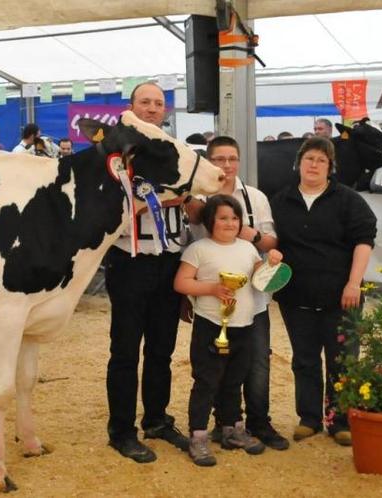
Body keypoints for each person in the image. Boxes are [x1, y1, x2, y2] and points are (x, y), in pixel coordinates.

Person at [270, 136, 377, 446]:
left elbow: (364, 241)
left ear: (331, 168)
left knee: (343, 359)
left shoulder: (349, 200)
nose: (314, 165)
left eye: (321, 160)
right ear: (298, 163)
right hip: (296, 297)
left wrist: (353, 283)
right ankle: (309, 418)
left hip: (342, 295)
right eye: (309, 159)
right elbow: (272, 241)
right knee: (304, 360)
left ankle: (340, 419)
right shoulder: (281, 200)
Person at [186, 136, 289, 451]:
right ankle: (216, 426)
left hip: (252, 303)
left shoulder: (255, 197)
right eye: (219, 159)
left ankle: (257, 421)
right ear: (208, 161)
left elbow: (271, 241)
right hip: (211, 304)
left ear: (239, 161)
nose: (226, 165)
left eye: (232, 159)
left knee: (255, 363)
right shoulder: (197, 198)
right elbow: (188, 243)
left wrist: (253, 236)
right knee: (213, 368)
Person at [105, 82, 189, 464]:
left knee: (162, 349)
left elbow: (194, 199)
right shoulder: (113, 155)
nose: (153, 109)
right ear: (131, 107)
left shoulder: (178, 152)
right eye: (145, 102)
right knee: (125, 350)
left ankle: (157, 419)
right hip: (129, 259)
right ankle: (121, 430)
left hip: (170, 258)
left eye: (158, 103)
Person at [174, 194, 282, 466]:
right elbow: (181, 283)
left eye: (234, 218)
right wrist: (211, 288)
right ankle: (198, 435)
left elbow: (262, 279)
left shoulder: (247, 249)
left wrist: (272, 263)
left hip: (243, 325)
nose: (230, 223)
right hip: (210, 325)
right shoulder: (199, 249)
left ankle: (231, 428)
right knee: (207, 381)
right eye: (223, 217)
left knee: (235, 379)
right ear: (210, 220)